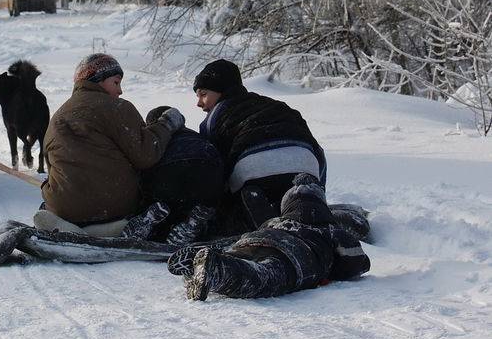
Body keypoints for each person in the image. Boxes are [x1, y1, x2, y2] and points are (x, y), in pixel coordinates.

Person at [38, 53, 186, 234]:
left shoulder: (59, 115)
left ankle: (70, 224)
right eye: (116, 82)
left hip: (63, 207)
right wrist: (166, 124)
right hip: (113, 205)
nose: (120, 91)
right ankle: (112, 227)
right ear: (97, 79)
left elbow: (52, 165)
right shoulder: (117, 107)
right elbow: (146, 155)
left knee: (55, 193)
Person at [166, 173, 370, 300]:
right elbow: (354, 262)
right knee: (261, 276)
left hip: (256, 238)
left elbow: (261, 229)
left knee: (240, 256)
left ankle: (205, 265)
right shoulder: (328, 229)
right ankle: (217, 269)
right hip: (293, 256)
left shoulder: (276, 221)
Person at [193, 59, 327, 231]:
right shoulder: (277, 105)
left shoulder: (214, 118)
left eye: (203, 94)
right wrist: (320, 189)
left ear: (222, 90)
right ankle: (312, 209)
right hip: (305, 165)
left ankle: (259, 220)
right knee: (296, 198)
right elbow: (318, 151)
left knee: (233, 213)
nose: (199, 103)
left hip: (255, 172)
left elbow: (214, 164)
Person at [140, 106, 224, 244]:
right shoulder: (195, 136)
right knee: (203, 208)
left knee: (168, 209)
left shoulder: (157, 139)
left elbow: (145, 165)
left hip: (169, 171)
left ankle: (154, 223)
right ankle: (196, 222)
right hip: (209, 167)